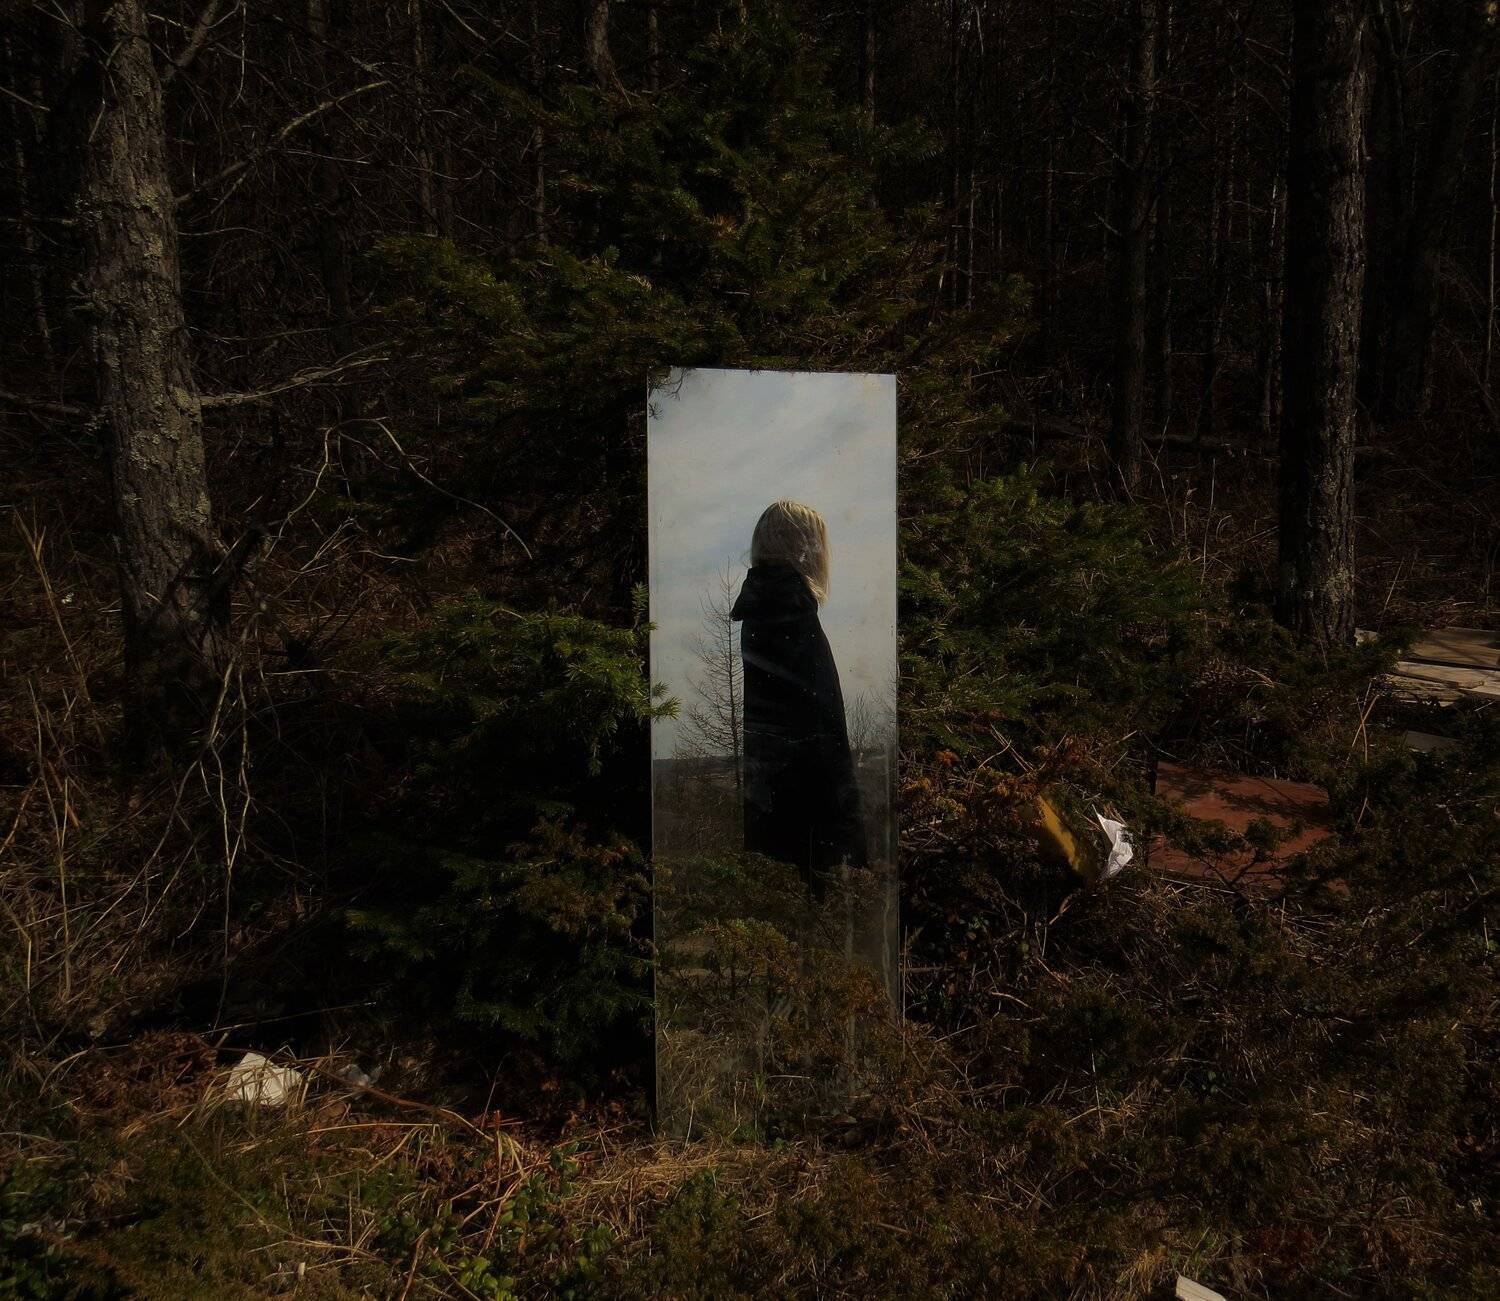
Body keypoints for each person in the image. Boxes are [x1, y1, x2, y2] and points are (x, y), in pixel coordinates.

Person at [730, 500, 868, 899]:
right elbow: (823, 738)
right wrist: (848, 848)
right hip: (809, 830)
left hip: (779, 814)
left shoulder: (768, 607)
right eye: (818, 543)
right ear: (804, 549)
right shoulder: (788, 610)